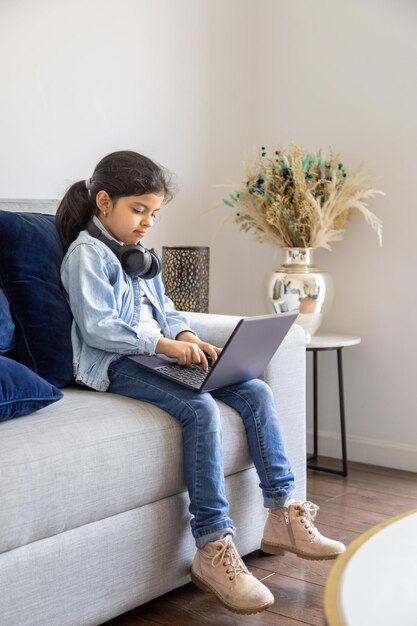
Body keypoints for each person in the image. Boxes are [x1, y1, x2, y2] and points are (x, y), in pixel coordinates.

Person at [56, 150, 345, 616]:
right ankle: (213, 546)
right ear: (104, 202)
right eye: (139, 210)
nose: (148, 222)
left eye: (154, 213)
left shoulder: (140, 256)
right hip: (114, 365)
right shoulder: (86, 256)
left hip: (154, 355)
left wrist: (186, 334)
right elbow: (98, 328)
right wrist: (165, 347)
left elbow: (165, 309)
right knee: (200, 408)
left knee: (254, 389)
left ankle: (283, 514)